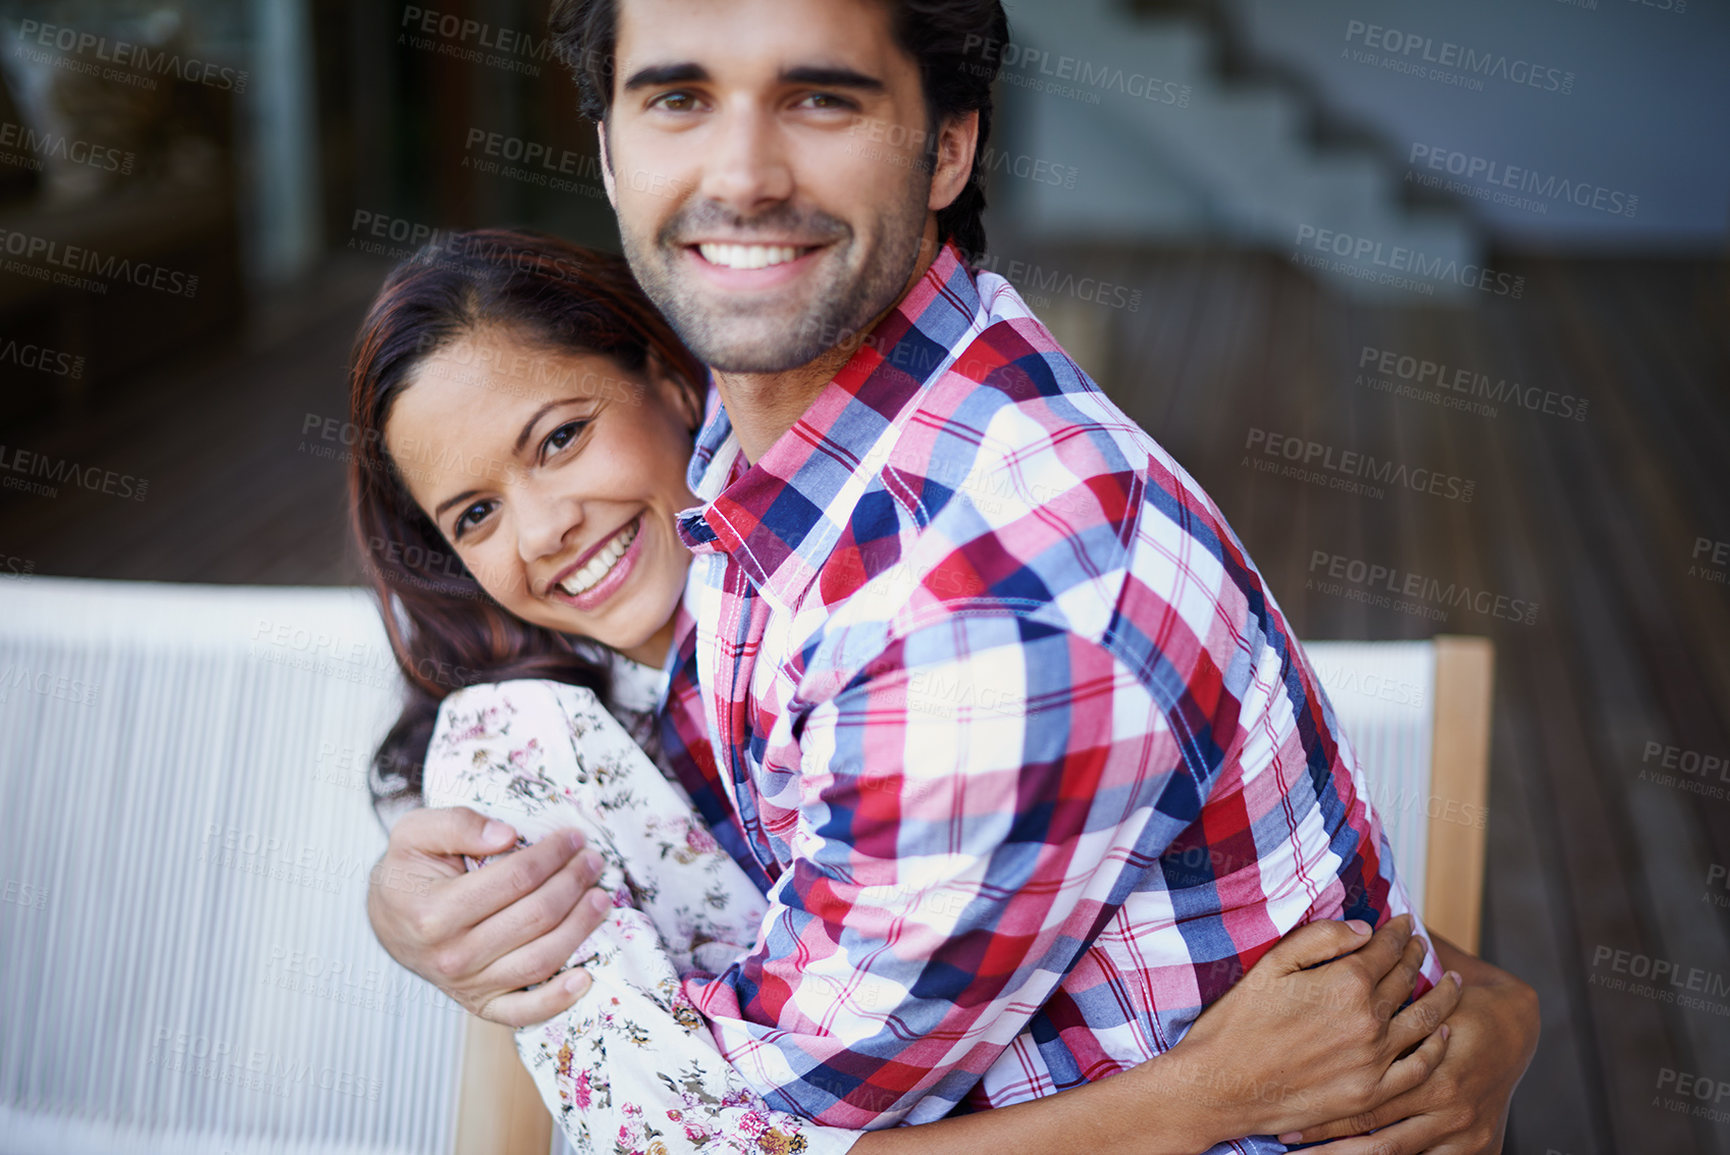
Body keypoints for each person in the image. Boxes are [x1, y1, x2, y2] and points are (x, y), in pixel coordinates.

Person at [367, 0, 1542, 1149]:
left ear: (947, 146)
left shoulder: (988, 610)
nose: (742, 173)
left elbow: (739, 1141)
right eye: (678, 97)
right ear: (612, 157)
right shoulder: (754, 477)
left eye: (819, 96)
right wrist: (413, 907)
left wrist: (1220, 1095)